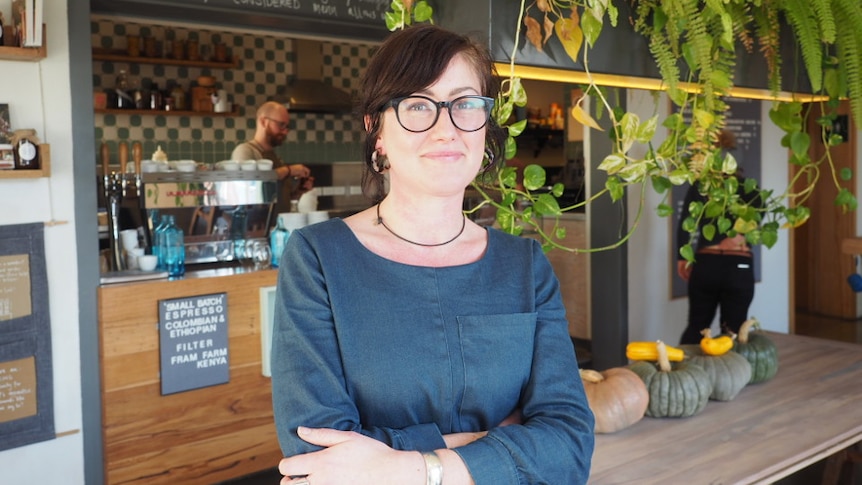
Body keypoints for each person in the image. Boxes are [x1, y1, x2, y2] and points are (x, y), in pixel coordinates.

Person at [270, 24, 595, 485]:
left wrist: (405, 466)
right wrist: (496, 443)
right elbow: (315, 453)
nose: (446, 128)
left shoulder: (523, 266)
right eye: (418, 105)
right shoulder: (318, 260)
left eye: (464, 104)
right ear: (376, 130)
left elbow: (570, 446)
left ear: (485, 127)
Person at [676, 129, 762, 344]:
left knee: (697, 327)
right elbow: (754, 230)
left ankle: (688, 374)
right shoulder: (752, 190)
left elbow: (685, 225)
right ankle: (732, 375)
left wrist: (682, 258)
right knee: (733, 331)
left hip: (707, 264)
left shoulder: (701, 188)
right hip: (739, 266)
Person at [231, 101, 312, 212]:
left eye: (287, 127)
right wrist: (289, 170)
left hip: (278, 226)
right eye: (281, 125)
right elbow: (248, 187)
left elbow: (281, 198)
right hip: (257, 227)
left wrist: (299, 190)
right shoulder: (245, 151)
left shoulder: (275, 158)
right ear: (264, 122)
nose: (285, 131)